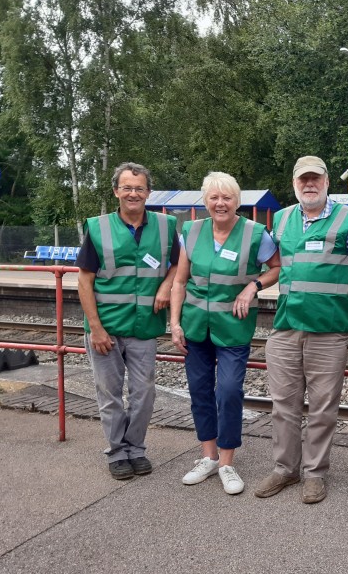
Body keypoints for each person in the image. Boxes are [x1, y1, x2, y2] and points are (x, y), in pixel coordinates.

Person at [254, 156, 348, 504]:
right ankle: (285, 469)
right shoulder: (282, 219)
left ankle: (315, 473)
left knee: (323, 407)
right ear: (294, 183)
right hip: (286, 327)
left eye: (315, 179)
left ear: (326, 183)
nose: (309, 184)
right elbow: (268, 262)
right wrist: (247, 284)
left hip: (329, 329)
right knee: (283, 405)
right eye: (303, 179)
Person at [170, 172, 280, 495]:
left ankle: (227, 463)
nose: (220, 203)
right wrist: (175, 323)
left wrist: (253, 286)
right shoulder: (191, 231)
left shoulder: (255, 233)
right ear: (205, 201)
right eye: (214, 197)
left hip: (233, 328)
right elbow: (179, 281)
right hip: (194, 328)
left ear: (237, 201)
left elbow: (275, 268)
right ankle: (208, 456)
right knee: (200, 391)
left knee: (229, 391)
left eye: (227, 197)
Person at [77, 162, 179, 480]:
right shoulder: (98, 227)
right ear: (116, 192)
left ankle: (136, 448)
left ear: (148, 192)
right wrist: (95, 327)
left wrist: (165, 285)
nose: (133, 193)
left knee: (144, 392)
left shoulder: (165, 226)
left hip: (143, 327)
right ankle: (117, 452)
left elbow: (178, 265)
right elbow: (84, 281)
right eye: (127, 187)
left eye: (139, 188)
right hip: (105, 327)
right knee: (108, 393)